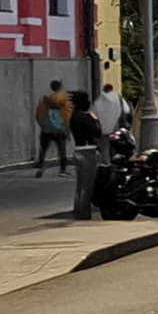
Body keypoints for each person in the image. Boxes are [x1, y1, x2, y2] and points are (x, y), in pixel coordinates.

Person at [65, 90, 106, 220]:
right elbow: (97, 132)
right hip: (88, 151)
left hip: (78, 150)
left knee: (81, 185)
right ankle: (84, 214)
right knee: (88, 186)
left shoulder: (74, 116)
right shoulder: (84, 117)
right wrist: (95, 119)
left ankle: (79, 212)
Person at [33, 81, 73, 175]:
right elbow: (68, 115)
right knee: (62, 151)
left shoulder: (44, 101)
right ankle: (62, 170)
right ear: (60, 87)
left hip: (47, 130)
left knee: (43, 149)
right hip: (60, 129)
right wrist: (66, 127)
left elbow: (38, 115)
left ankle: (40, 167)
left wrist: (43, 125)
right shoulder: (65, 100)